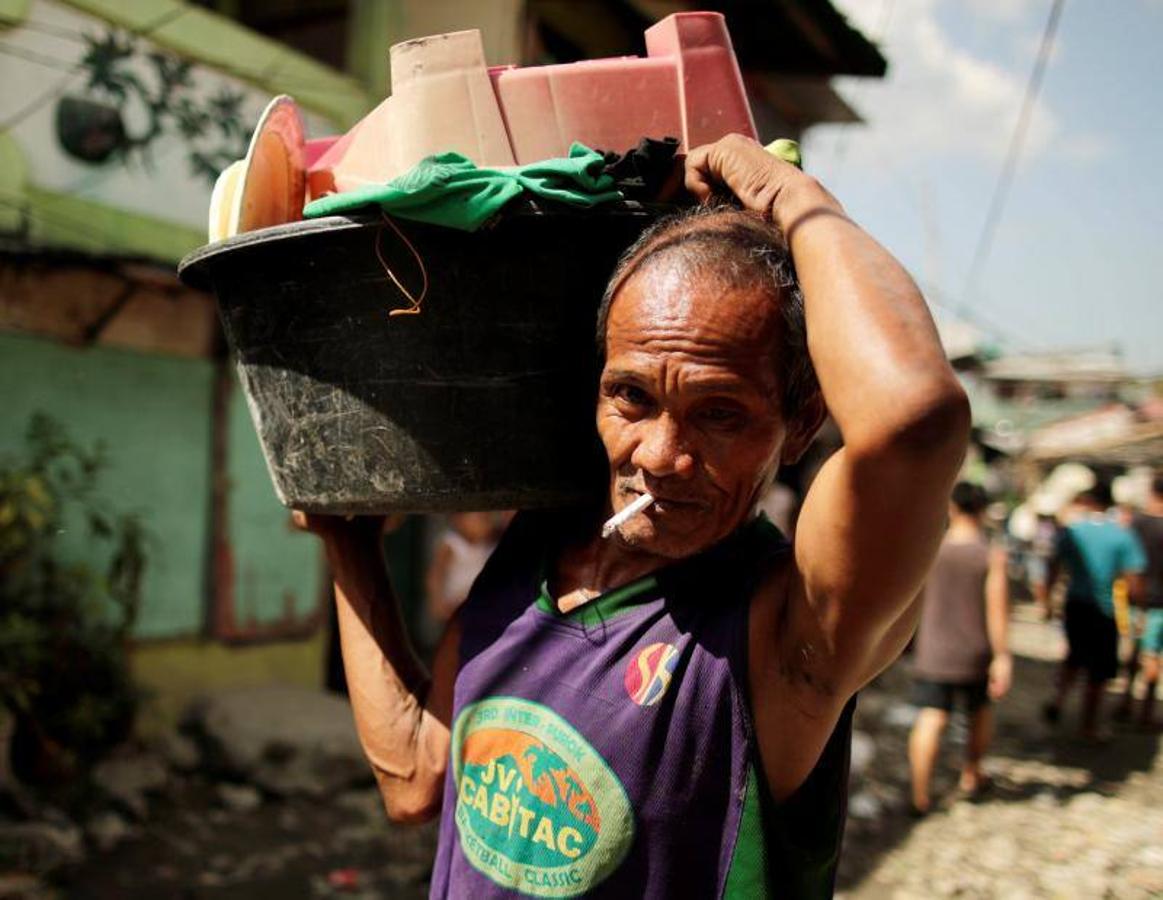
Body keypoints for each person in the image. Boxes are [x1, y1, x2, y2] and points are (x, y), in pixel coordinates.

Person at [296, 134, 969, 898]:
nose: (659, 455)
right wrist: (346, 541)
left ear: (801, 424)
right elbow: (417, 775)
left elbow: (914, 422)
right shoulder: (539, 546)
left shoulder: (786, 630)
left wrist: (794, 200)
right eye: (631, 398)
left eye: (719, 414)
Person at [907, 482, 1011, 815]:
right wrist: (1002, 656)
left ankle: (919, 796)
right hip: (975, 651)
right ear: (982, 512)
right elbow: (997, 610)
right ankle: (971, 774)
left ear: (951, 508)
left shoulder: (930, 548)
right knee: (978, 712)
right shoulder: (990, 554)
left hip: (934, 649)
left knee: (932, 718)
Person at [1042, 487, 1146, 740]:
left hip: (1075, 604)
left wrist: (1047, 600)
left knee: (1073, 657)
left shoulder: (1073, 531)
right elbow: (1133, 579)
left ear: (1088, 502)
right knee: (1098, 671)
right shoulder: (1121, 535)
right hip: (1105, 609)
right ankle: (1088, 725)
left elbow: (1054, 565)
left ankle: (1058, 700)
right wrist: (1138, 608)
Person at [1116, 474, 1163, 729]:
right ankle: (1146, 712)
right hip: (1159, 603)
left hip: (1136, 598)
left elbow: (1126, 564)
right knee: (1153, 656)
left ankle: (1125, 702)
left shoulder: (1135, 523)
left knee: (1133, 652)